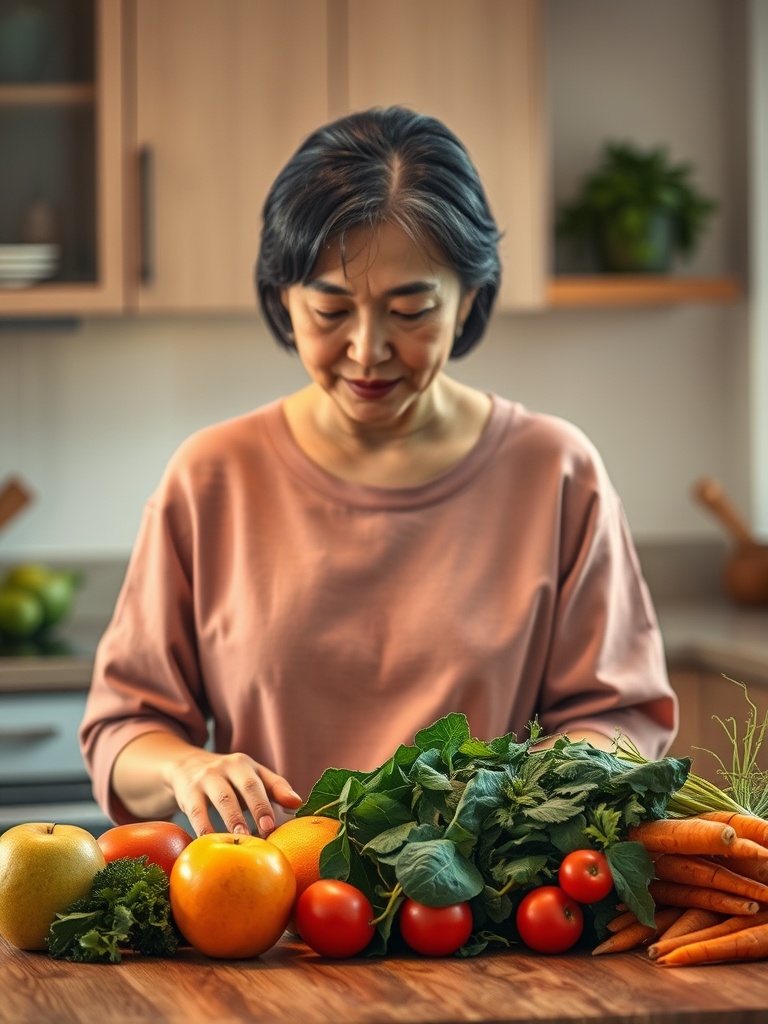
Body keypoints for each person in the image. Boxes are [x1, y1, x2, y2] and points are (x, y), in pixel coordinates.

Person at [79, 106, 677, 838]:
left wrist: (512, 801)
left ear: (469, 303)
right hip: (265, 917)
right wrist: (185, 767)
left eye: (411, 310)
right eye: (331, 310)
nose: (367, 351)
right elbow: (123, 732)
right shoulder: (212, 477)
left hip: (485, 915)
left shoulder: (556, 471)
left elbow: (617, 719)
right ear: (282, 300)